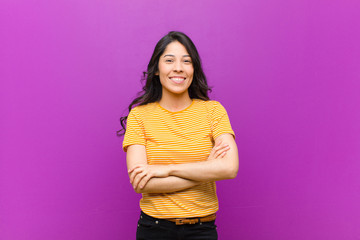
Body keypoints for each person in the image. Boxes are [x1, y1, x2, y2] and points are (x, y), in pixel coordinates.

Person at [118, 31, 239, 240]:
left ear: (193, 69)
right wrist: (206, 169)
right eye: (169, 60)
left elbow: (229, 168)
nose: (178, 68)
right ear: (156, 69)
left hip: (202, 229)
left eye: (186, 61)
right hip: (154, 229)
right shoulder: (139, 116)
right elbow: (142, 183)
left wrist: (166, 170)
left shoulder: (213, 111)